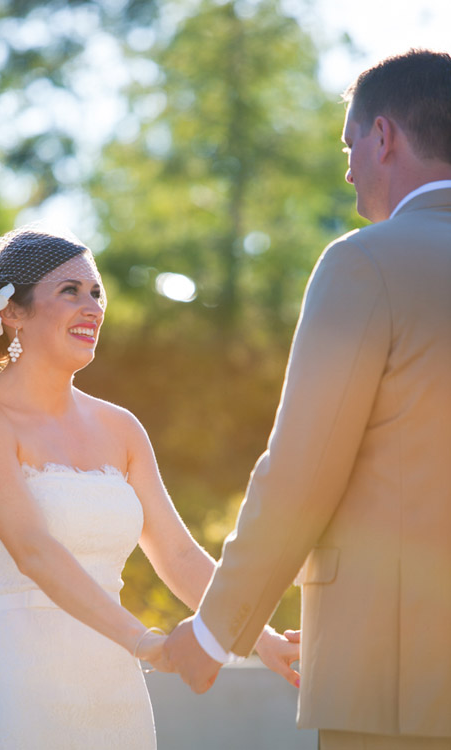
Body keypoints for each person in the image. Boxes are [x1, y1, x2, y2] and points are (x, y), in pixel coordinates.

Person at [165, 49, 451, 750]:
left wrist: (212, 632)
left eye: (351, 143)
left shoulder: (366, 263)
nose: (349, 169)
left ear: (383, 136)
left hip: (396, 682)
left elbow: (302, 469)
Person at [0, 225, 299, 749]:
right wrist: (146, 644)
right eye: (70, 291)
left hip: (113, 690)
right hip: (16, 687)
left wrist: (261, 640)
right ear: (11, 312)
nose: (92, 306)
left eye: (96, 292)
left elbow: (179, 554)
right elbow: (34, 552)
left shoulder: (121, 427)